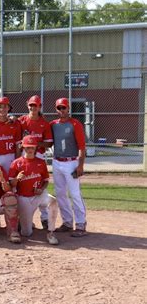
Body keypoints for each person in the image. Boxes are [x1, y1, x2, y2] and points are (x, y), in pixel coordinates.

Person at [8, 135, 59, 245]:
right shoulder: (16, 163)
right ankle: (24, 223)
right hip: (24, 198)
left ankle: (51, 232)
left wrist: (41, 189)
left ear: (35, 148)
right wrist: (17, 179)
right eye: (27, 147)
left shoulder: (41, 162)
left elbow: (45, 180)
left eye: (32, 147)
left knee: (53, 201)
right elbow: (11, 184)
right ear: (23, 148)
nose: (30, 150)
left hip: (38, 195)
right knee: (26, 233)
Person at [50, 98, 87, 237]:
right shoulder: (53, 124)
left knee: (75, 193)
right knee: (60, 194)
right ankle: (67, 222)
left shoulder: (75, 124)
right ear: (56, 109)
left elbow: (82, 147)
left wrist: (80, 165)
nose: (62, 111)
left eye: (64, 108)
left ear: (68, 108)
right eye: (59, 108)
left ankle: (81, 224)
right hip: (57, 162)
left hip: (71, 162)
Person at [18, 95, 54, 230]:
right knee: (23, 185)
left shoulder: (44, 123)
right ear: (28, 106)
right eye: (31, 105)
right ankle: (23, 218)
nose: (33, 108)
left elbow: (49, 142)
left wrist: (33, 143)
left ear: (40, 107)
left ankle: (45, 218)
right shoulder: (22, 121)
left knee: (39, 185)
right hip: (24, 155)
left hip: (38, 154)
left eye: (36, 105)